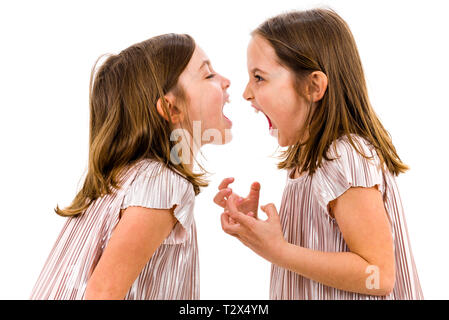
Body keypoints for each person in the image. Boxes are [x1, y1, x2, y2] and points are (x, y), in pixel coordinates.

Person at [214, 8, 423, 299]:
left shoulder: (345, 156)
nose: (247, 93)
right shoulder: (307, 160)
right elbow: (319, 252)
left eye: (259, 78)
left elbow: (380, 275)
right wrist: (260, 234)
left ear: (313, 86)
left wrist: (280, 251)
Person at [31, 33, 232, 299]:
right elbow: (104, 292)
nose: (226, 81)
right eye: (208, 75)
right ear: (172, 109)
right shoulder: (164, 184)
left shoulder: (130, 178)